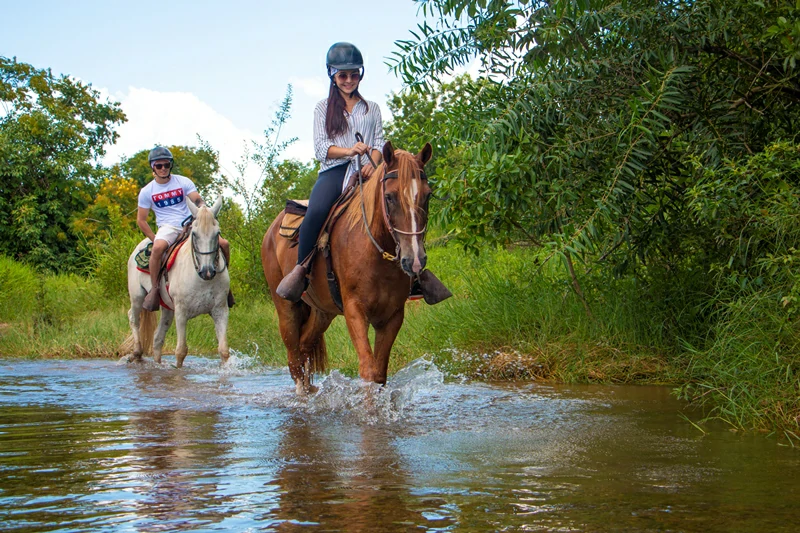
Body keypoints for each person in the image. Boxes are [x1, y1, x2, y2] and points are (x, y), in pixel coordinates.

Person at [276, 42, 451, 305]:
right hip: (334, 172)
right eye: (342, 75)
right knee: (316, 211)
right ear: (333, 76)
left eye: (354, 74)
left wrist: (375, 162)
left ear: (360, 75)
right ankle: (302, 270)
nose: (348, 80)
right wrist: (349, 151)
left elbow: (380, 142)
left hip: (371, 170)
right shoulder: (322, 108)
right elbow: (321, 148)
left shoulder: (373, 108)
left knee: (403, 206)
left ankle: (416, 274)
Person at [137, 146, 234, 311]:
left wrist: (203, 209)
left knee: (223, 244)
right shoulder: (147, 191)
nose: (163, 169)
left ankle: (225, 285)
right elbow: (141, 220)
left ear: (170, 165)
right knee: (158, 249)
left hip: (190, 223)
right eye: (159, 166)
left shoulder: (183, 182)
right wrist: (154, 238)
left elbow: (196, 199)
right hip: (167, 227)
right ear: (153, 167)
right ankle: (154, 290)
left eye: (166, 165)